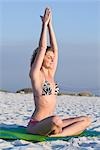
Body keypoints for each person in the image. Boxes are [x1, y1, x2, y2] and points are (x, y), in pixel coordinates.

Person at [27, 8, 91, 137]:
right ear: (41, 57)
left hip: (53, 122)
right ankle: (60, 132)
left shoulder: (51, 74)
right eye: (48, 57)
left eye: (52, 58)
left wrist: (51, 25)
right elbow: (42, 47)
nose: (52, 60)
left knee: (86, 120)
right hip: (38, 123)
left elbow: (56, 49)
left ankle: (57, 135)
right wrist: (44, 25)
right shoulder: (36, 75)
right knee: (56, 120)